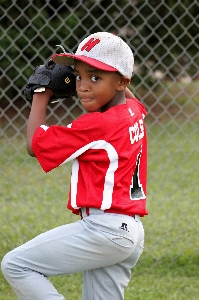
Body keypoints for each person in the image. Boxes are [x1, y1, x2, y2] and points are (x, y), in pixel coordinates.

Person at [1, 32, 148, 300]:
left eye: (95, 77)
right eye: (79, 75)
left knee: (17, 264)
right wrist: (98, 74)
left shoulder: (96, 124)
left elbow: (35, 146)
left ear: (121, 81)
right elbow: (130, 96)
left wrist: (41, 93)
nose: (82, 86)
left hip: (103, 230)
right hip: (129, 232)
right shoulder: (133, 111)